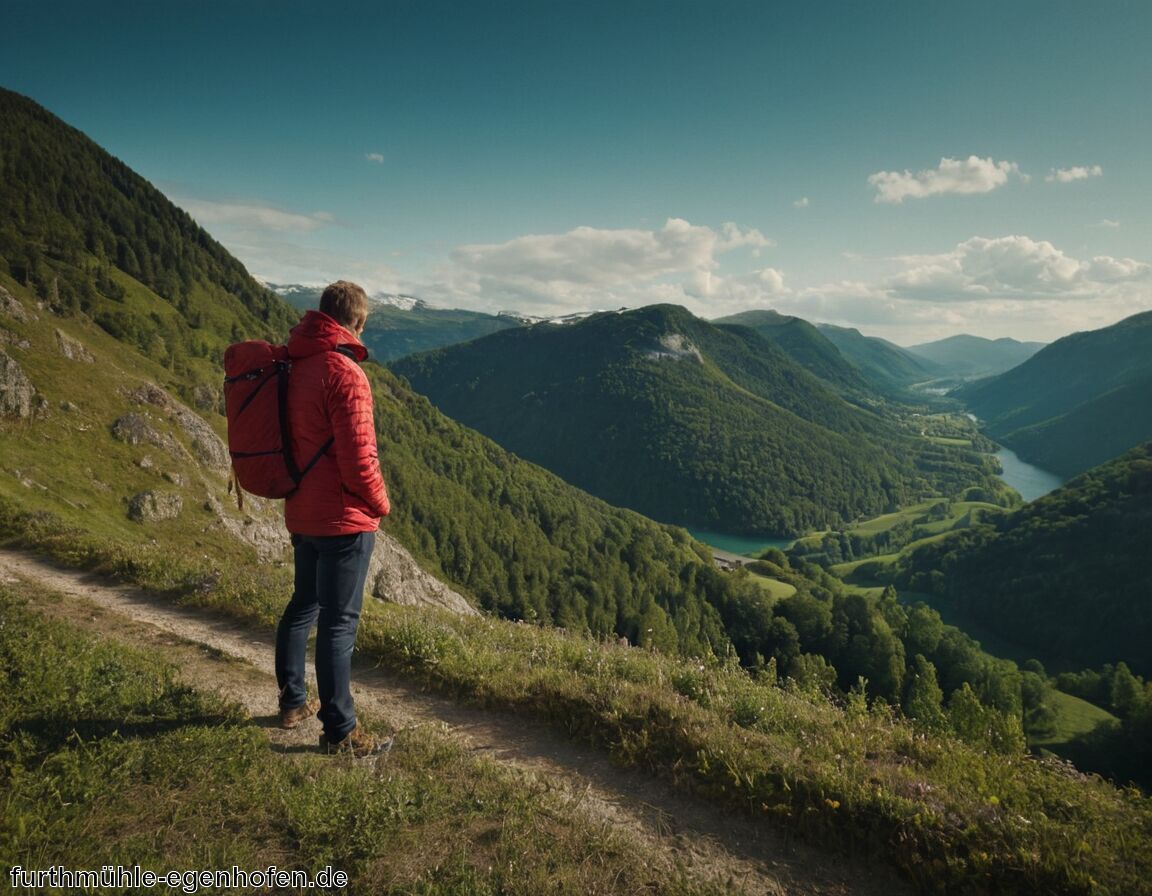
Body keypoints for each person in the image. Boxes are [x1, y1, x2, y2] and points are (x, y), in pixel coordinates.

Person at [273, 280, 392, 756]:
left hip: (303, 512)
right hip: (343, 519)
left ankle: (292, 702)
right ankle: (340, 733)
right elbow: (359, 459)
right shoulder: (345, 373)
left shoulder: (294, 367)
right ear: (356, 323)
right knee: (339, 624)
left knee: (303, 604)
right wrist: (380, 504)